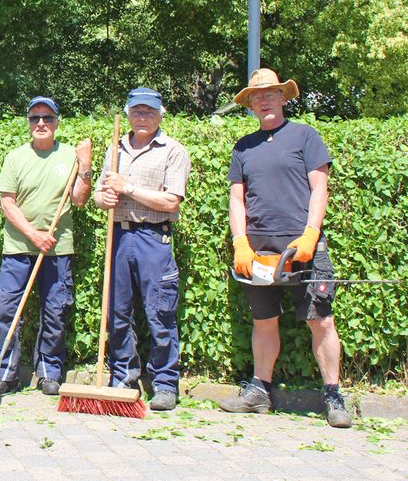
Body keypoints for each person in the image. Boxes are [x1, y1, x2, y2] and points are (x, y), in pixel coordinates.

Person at [218, 69, 353, 428]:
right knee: (263, 322)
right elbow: (236, 199)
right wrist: (240, 243)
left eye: (270, 94)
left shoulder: (305, 137)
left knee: (321, 320)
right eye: (256, 97)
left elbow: (319, 189)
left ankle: (334, 395)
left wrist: (311, 235)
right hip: (259, 251)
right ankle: (259, 392)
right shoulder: (243, 147)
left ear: (282, 97)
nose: (264, 100)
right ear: (250, 105)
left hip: (304, 247)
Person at [93, 87, 191, 411]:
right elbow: (100, 194)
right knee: (118, 313)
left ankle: (164, 383)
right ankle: (123, 377)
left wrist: (129, 188)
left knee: (159, 312)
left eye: (149, 111)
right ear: (129, 113)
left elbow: (171, 201)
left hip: (154, 238)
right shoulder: (115, 148)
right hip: (119, 237)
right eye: (137, 111)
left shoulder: (173, 151)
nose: (143, 117)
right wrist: (104, 198)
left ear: (161, 114)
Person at [0, 96, 92, 397]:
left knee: (55, 311)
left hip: (57, 249)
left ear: (57, 122)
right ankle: (5, 370)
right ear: (28, 123)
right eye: (35, 118)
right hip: (19, 248)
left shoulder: (70, 157)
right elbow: (6, 202)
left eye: (47, 118)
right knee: (8, 310)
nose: (41, 124)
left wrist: (85, 164)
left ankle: (49, 371)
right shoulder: (15, 157)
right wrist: (33, 235)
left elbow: (79, 199)